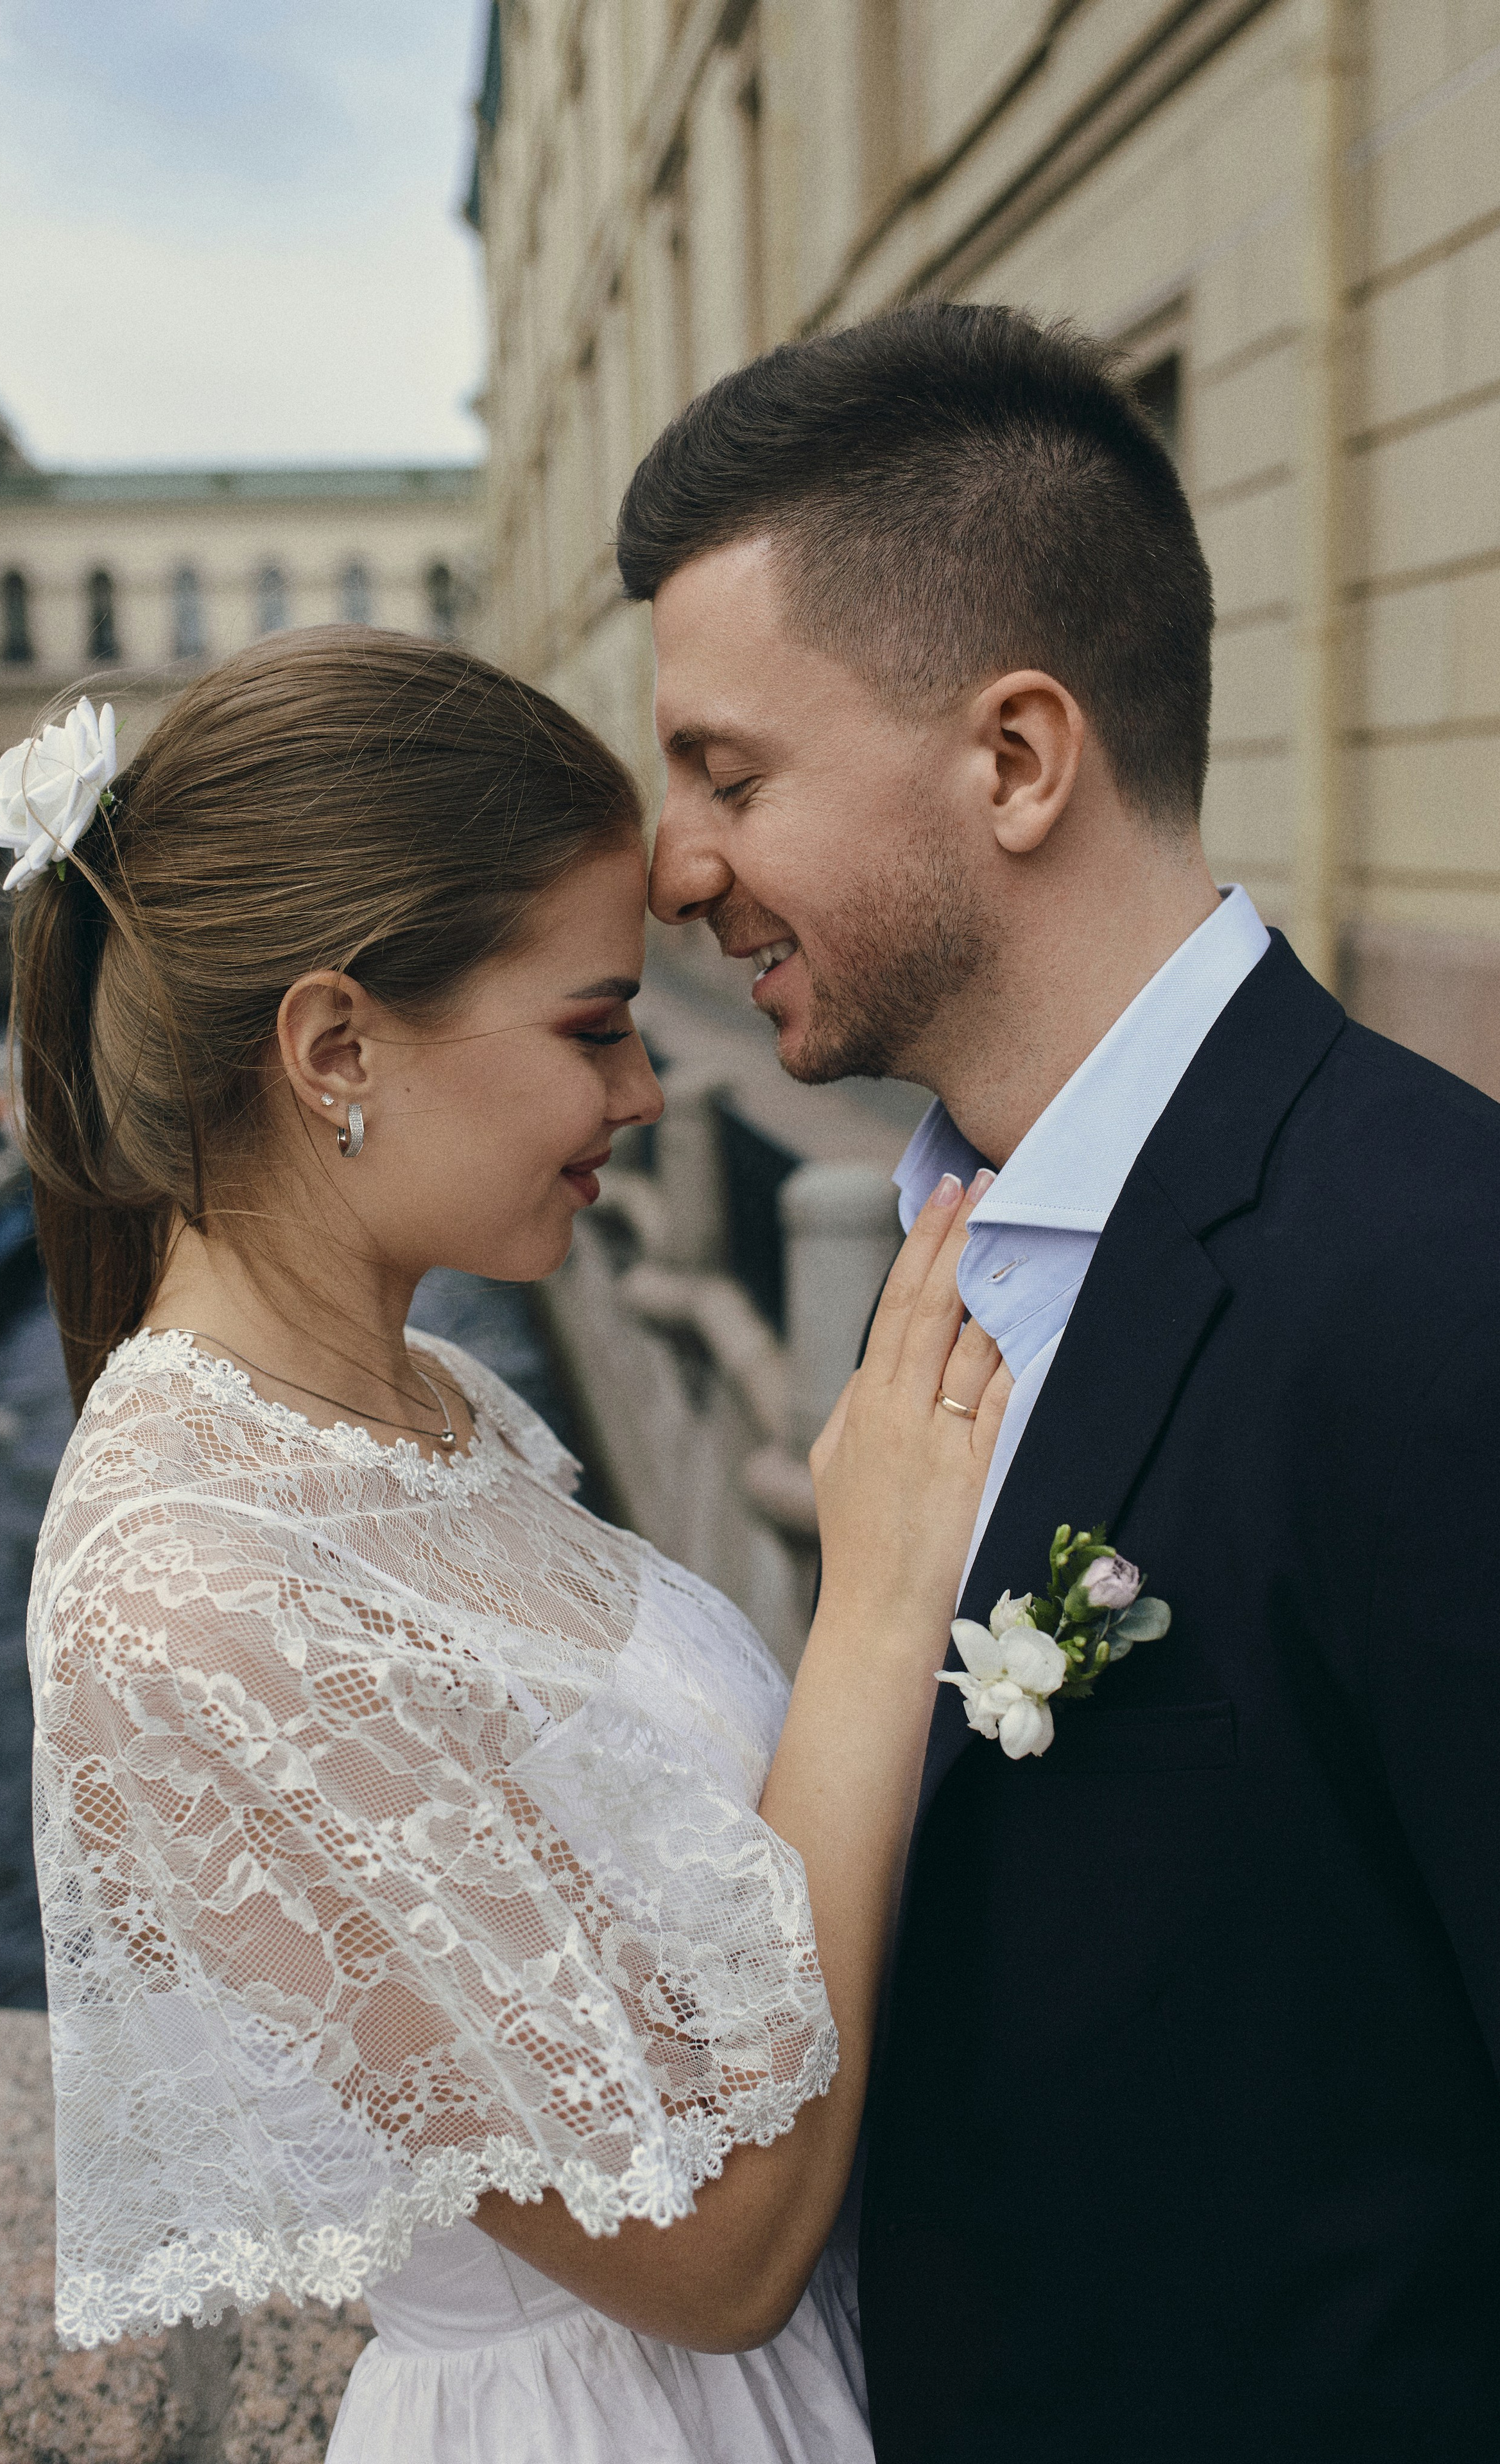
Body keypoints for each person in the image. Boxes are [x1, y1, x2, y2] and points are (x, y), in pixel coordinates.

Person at [623, 302, 1500, 2461]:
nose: (674, 867)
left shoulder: (1441, 1279)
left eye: (731, 777)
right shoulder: (945, 1251)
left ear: (1017, 761)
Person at [8, 628, 1010, 2463]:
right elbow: (716, 2253)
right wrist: (877, 1603)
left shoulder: (436, 1402)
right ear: (335, 1049)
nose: (645, 1094)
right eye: (592, 1026)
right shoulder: (182, 1599)